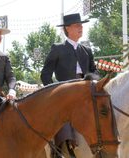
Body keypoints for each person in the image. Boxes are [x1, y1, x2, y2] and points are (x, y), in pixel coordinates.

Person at [40, 13, 99, 158]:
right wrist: (56, 92)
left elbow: (95, 72)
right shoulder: (57, 48)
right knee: (59, 115)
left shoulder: (87, 50)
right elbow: (45, 74)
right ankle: (59, 148)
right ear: (68, 28)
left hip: (86, 91)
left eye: (81, 25)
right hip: (65, 93)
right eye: (77, 25)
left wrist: (96, 82)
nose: (81, 28)